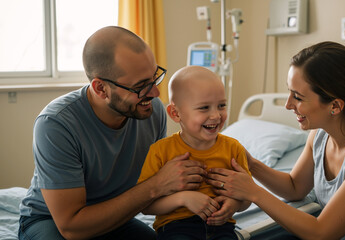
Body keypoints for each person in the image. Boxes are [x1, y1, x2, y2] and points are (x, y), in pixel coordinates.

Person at [207, 41, 345, 239]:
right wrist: (250, 163)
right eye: (289, 93)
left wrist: (253, 192)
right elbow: (294, 188)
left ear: (335, 106)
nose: (288, 105)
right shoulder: (320, 135)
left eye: (298, 97)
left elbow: (321, 233)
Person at [18, 26, 209, 240]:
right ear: (101, 89)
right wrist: (156, 185)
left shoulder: (152, 112)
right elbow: (71, 226)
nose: (155, 93)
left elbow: (163, 185)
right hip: (51, 221)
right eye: (141, 86)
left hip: (116, 218)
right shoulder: (56, 125)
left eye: (154, 77)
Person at [138, 65, 251, 240]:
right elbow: (146, 206)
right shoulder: (161, 151)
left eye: (221, 105)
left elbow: (247, 197)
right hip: (177, 229)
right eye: (204, 108)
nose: (216, 115)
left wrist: (235, 204)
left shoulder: (233, 148)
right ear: (175, 113)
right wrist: (183, 199)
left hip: (222, 227)